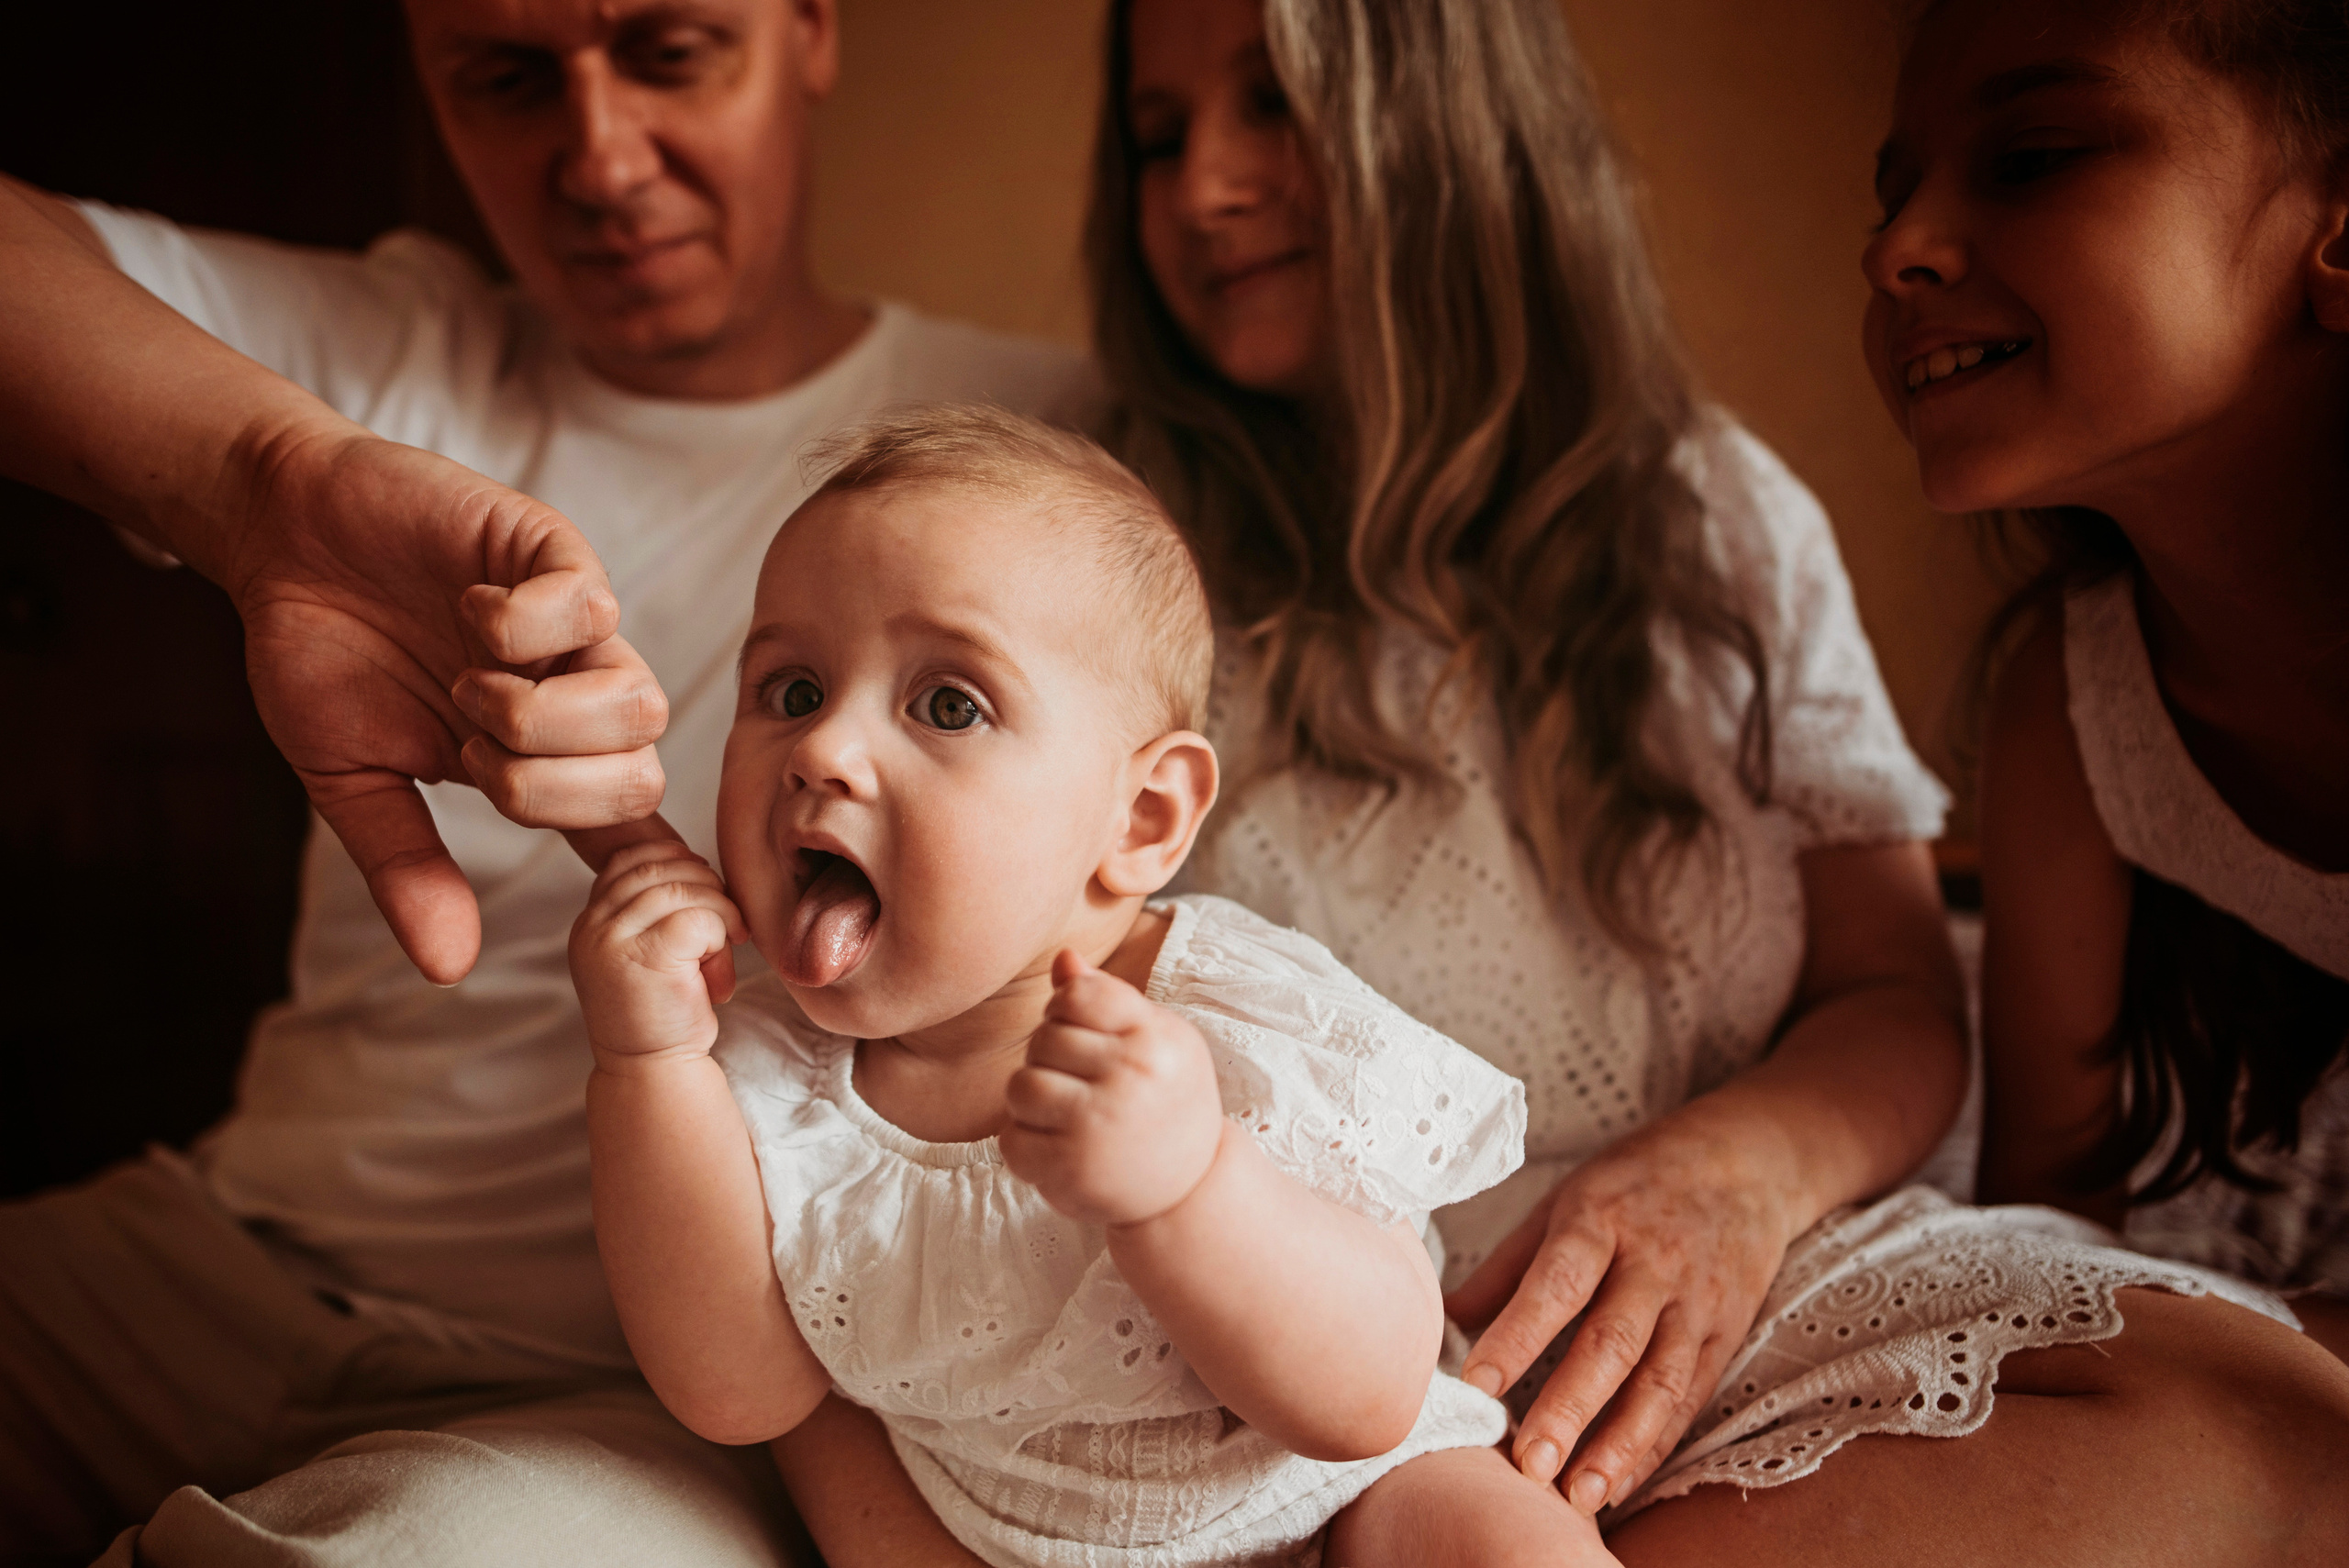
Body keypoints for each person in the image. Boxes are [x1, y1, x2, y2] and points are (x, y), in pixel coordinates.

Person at [768, 1, 2349, 1563]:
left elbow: (1894, 987)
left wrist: (1735, 1170)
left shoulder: (1712, 512)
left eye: (1276, 103)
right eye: (1156, 137)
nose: (1201, 189)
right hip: (1291, 1374)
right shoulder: (1068, 572)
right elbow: (859, 1034)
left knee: (2271, 1431)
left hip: (1747, 1269)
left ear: (1456, 117)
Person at [0, 1, 1089, 1562]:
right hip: (218, 1253)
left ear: (810, 30)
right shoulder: (382, 356)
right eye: (506, 80)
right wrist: (264, 482)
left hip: (656, 1379)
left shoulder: (1052, 461)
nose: (597, 154)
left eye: (668, 51)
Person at [574, 404, 1658, 1567]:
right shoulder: (760, 1076)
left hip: (1335, 1502)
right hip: (997, 1540)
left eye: (948, 703)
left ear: (1140, 820)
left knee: (1484, 1538)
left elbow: (1372, 1396)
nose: (822, 750)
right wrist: (644, 1063)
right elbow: (741, 1392)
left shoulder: (1226, 1015)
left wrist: (1187, 1184)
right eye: (790, 690)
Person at [1865, 0, 2349, 1353]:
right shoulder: (2076, 709)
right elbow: (2050, 1265)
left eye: (2036, 155)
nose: (1896, 248)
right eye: (1892, 195)